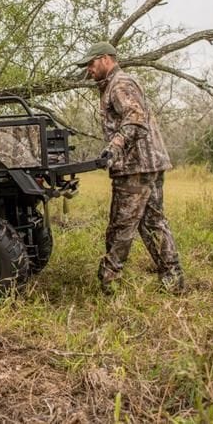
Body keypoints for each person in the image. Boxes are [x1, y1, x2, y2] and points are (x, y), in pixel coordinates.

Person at [74, 42, 185, 294]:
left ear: (105, 59)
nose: (88, 70)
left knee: (122, 225)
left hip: (136, 166)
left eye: (91, 63)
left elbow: (135, 119)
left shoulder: (120, 84)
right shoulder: (113, 85)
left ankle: (109, 280)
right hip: (148, 163)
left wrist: (114, 147)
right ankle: (172, 278)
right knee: (153, 222)